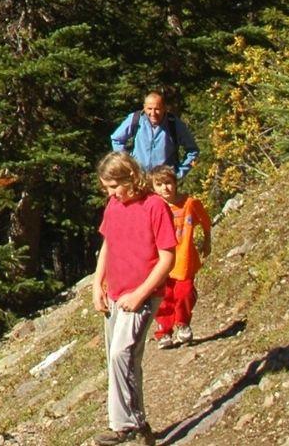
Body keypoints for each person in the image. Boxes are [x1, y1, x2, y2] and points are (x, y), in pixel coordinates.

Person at [89, 151, 175, 446]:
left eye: (114, 186)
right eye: (106, 188)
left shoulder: (155, 207)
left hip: (142, 295)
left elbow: (167, 258)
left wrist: (141, 294)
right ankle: (127, 426)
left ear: (130, 177)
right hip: (115, 294)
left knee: (121, 355)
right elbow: (108, 244)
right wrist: (97, 283)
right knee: (119, 360)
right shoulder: (113, 206)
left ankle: (130, 426)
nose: (110, 193)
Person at [148, 165, 212, 350]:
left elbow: (206, 222)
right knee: (164, 296)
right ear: (153, 187)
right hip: (160, 262)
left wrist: (207, 242)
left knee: (184, 292)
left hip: (184, 259)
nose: (164, 188)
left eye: (168, 183)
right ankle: (164, 331)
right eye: (159, 184)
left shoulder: (189, 204)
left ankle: (182, 322)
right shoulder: (153, 207)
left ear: (175, 183)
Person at [110, 91, 199, 179]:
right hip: (139, 178)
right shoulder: (136, 119)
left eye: (157, 109)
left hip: (163, 182)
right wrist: (127, 164)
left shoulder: (174, 123)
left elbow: (193, 150)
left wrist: (179, 173)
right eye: (149, 109)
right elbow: (116, 139)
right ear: (144, 107)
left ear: (164, 108)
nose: (153, 113)